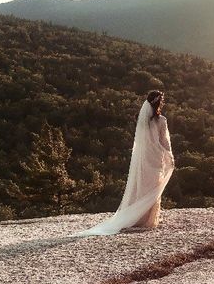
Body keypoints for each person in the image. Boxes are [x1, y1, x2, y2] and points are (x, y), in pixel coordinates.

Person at [70, 90, 174, 237]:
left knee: (143, 185)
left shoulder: (141, 119)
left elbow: (141, 141)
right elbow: (164, 141)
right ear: (159, 102)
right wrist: (170, 156)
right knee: (154, 185)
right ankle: (149, 219)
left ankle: (138, 218)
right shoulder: (162, 120)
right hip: (156, 158)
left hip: (144, 158)